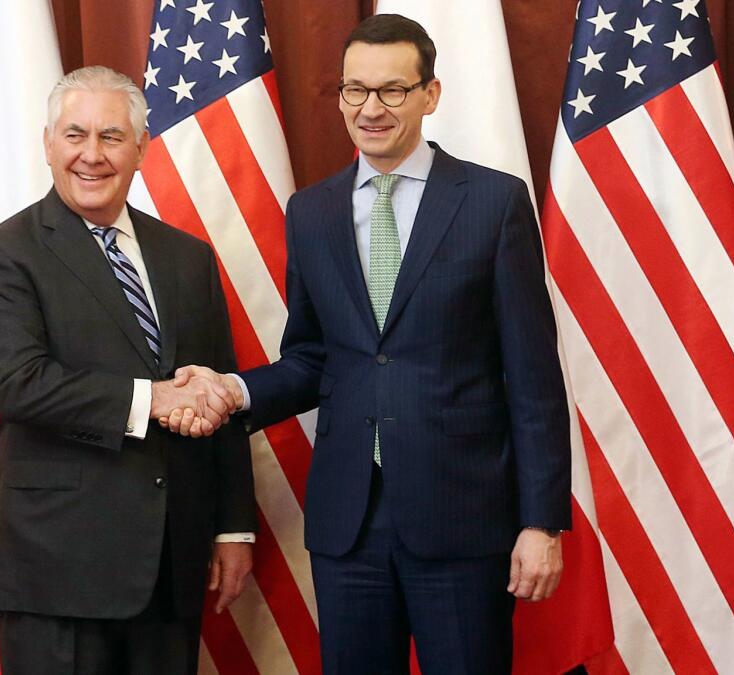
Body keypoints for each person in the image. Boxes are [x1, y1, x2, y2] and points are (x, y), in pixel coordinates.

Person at [164, 14, 571, 674]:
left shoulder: (493, 204)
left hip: (464, 519)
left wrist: (542, 521)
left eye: (391, 90)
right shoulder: (313, 212)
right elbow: (312, 358)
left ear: (430, 95)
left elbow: (533, 379)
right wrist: (232, 389)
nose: (370, 108)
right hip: (348, 524)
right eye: (355, 90)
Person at [0, 65, 256, 675]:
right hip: (61, 567)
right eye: (75, 136)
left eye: (111, 137)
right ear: (48, 144)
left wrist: (232, 529)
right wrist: (150, 400)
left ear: (142, 148)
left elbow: (220, 389)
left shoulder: (187, 258)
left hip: (173, 561)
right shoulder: (3, 253)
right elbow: (19, 385)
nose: (91, 155)